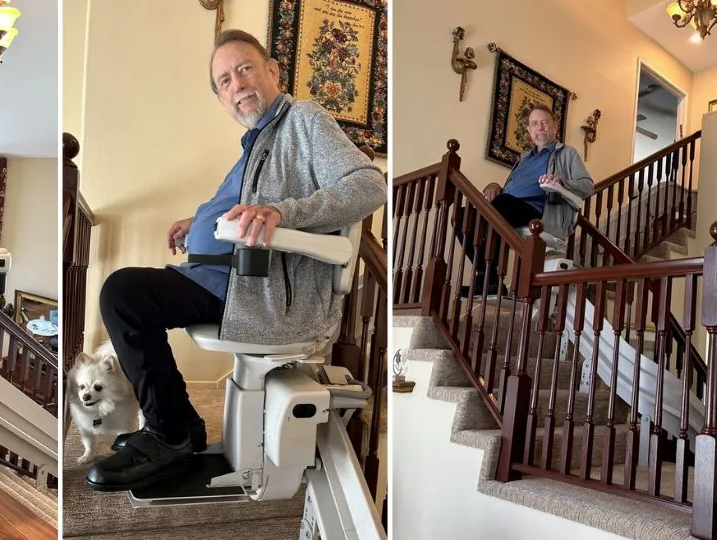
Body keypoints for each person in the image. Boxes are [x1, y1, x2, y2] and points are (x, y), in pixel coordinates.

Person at [84, 29, 386, 492]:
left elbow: (369, 186)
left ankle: (171, 433)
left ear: (272, 71)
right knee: (128, 296)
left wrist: (285, 212)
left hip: (261, 290)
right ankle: (178, 427)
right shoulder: (256, 143)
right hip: (223, 277)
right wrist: (199, 219)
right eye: (224, 80)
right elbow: (238, 203)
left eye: (244, 69)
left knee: (124, 294)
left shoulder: (303, 119)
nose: (237, 84)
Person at [457, 104, 593, 297]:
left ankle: (490, 279)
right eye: (534, 124)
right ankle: (487, 277)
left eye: (544, 122)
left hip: (540, 213)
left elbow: (587, 186)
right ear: (529, 131)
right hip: (509, 206)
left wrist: (560, 182)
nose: (540, 127)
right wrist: (495, 185)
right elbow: (512, 190)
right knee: (463, 218)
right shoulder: (523, 159)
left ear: (554, 128)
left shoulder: (567, 153)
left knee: (501, 205)